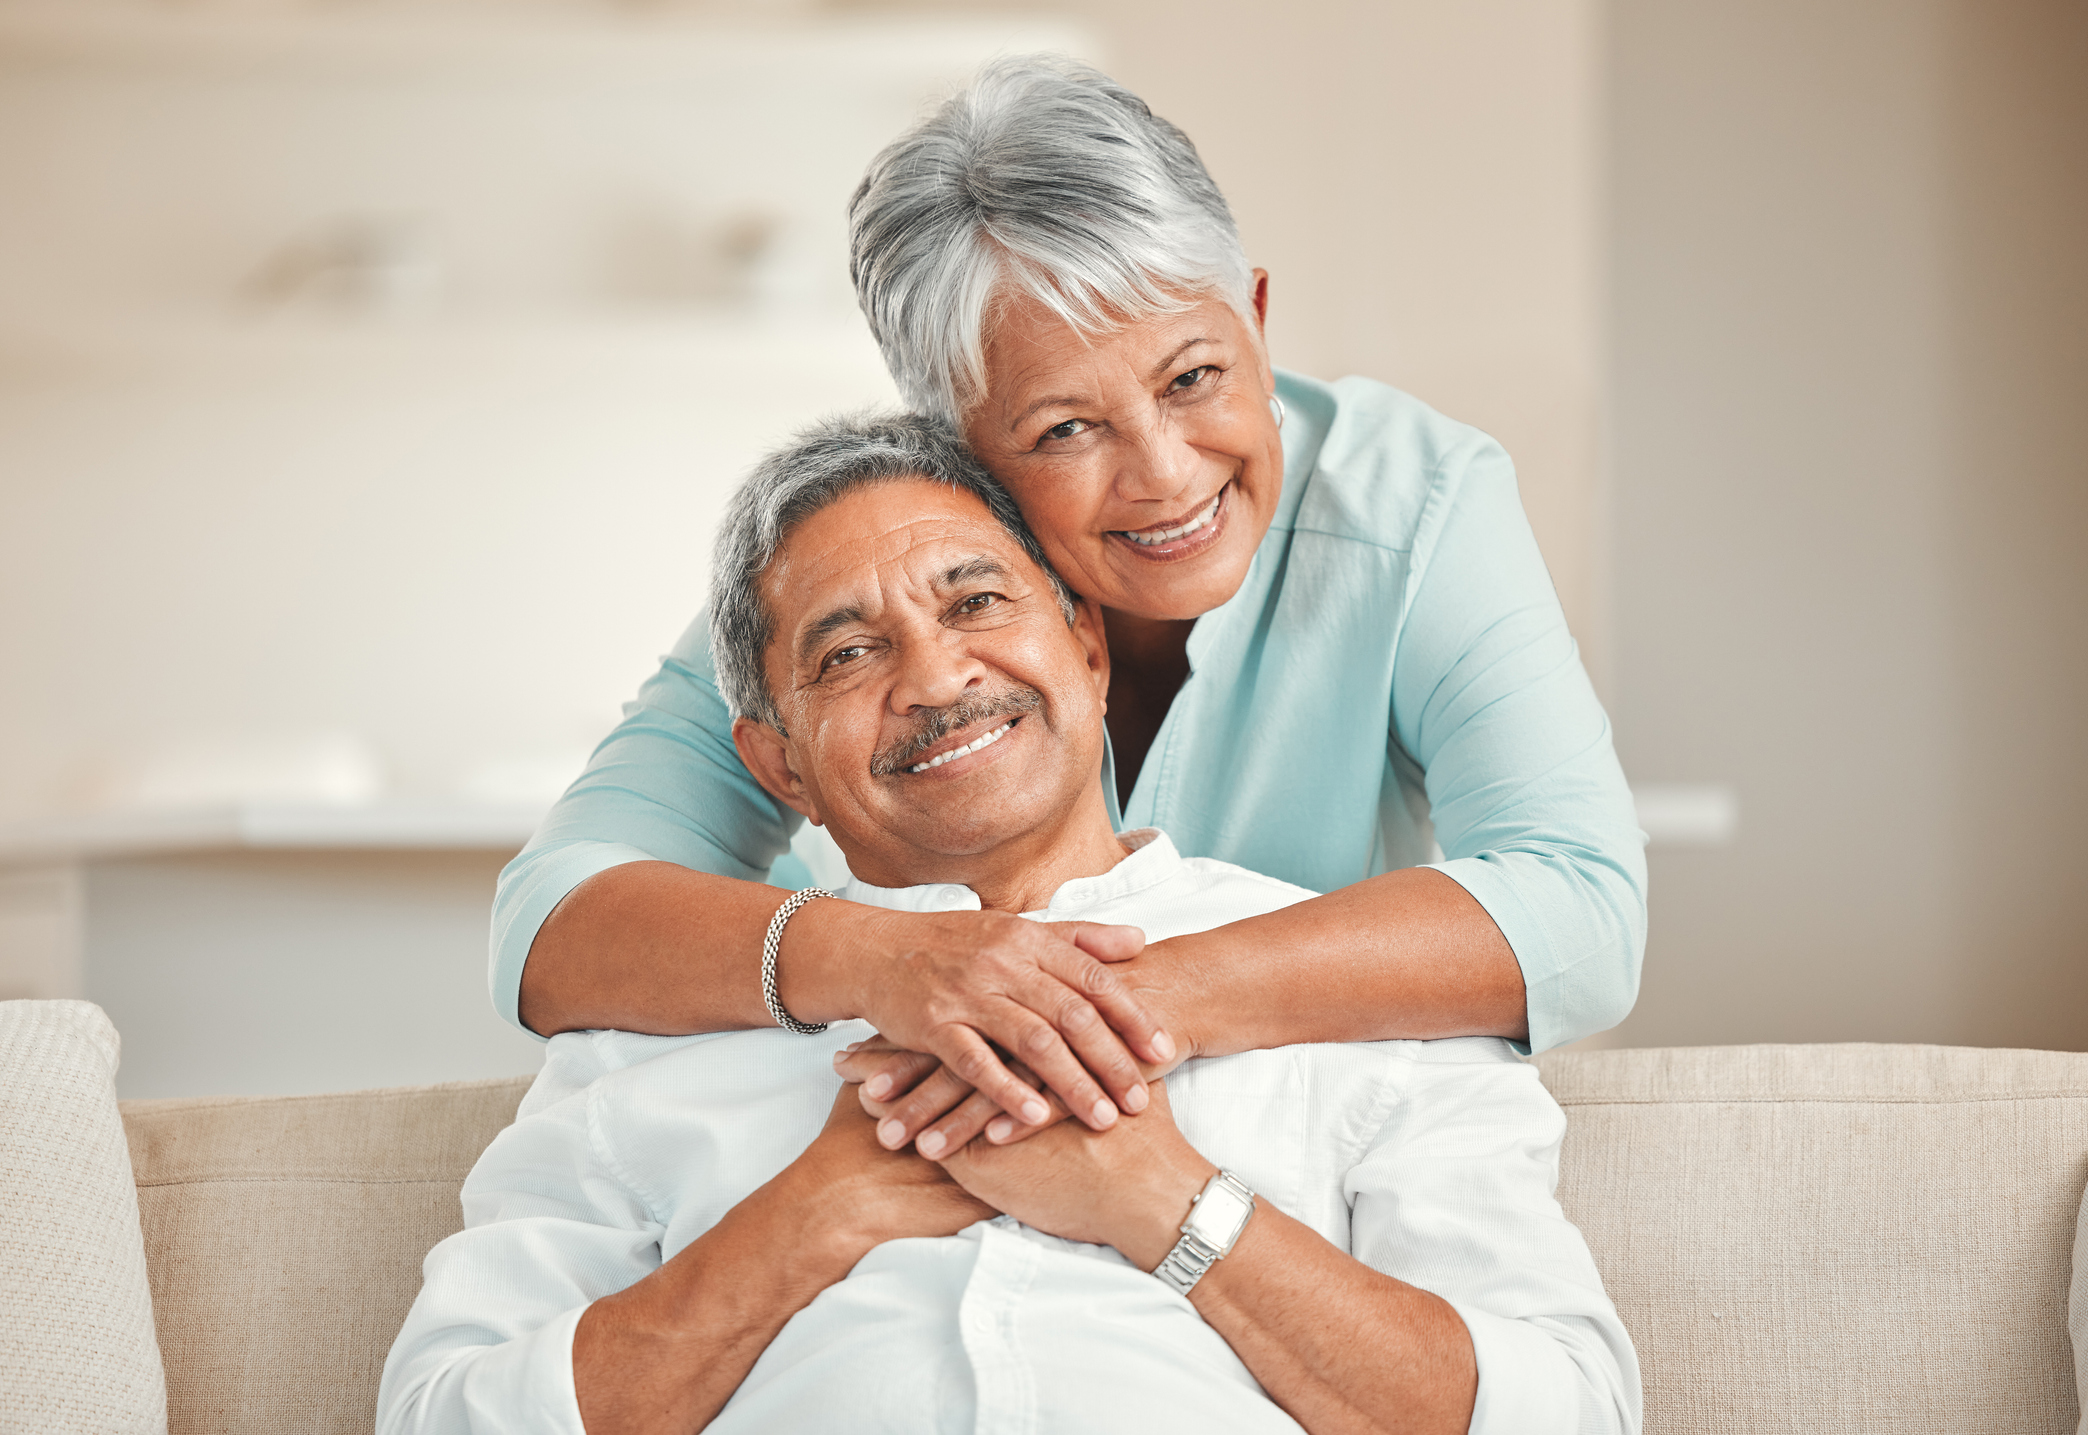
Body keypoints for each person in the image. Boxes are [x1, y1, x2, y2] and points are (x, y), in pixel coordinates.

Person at [382, 416, 1639, 1435]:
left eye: (976, 602)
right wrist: (812, 1212)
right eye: (847, 653)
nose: (934, 678)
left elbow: (1570, 1409)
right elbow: (442, 1413)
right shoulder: (657, 1032)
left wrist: (1172, 1206)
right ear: (777, 767)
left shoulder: (1363, 1001)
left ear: (1089, 648)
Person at [492, 54, 1647, 1160]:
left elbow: (1582, 909)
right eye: (1065, 428)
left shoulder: (1419, 499)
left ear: (1253, 315)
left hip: (1275, 1146)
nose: (1165, 473)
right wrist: (889, 964)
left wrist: (1110, 1007)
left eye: (1193, 376)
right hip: (899, 1132)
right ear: (956, 444)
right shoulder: (868, 553)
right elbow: (550, 920)